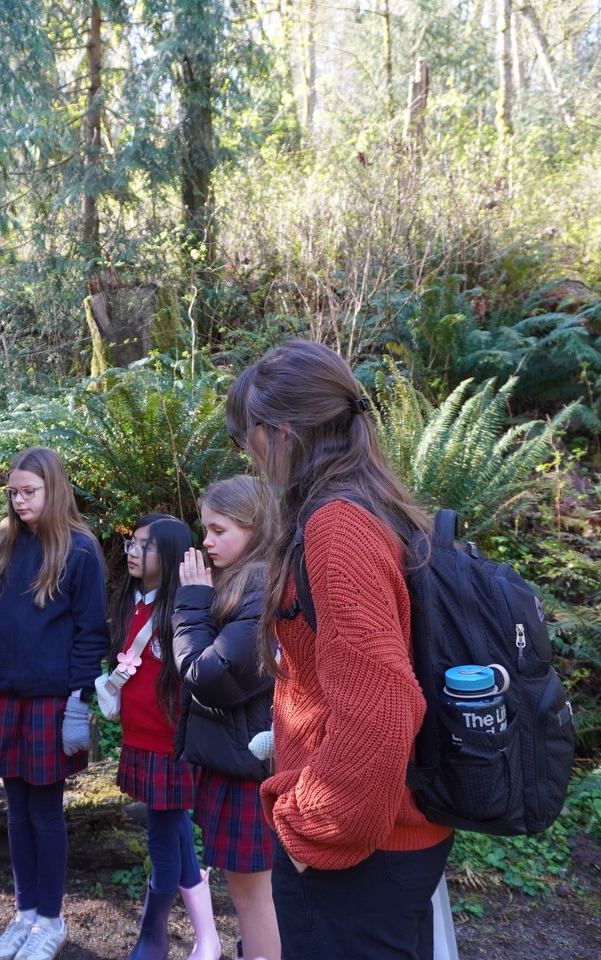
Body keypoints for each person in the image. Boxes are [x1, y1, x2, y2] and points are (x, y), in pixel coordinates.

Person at [227, 339, 454, 960]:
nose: (249, 453)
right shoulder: (373, 503)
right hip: (385, 839)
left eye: (248, 436)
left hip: (358, 853)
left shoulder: (337, 527)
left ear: (281, 433)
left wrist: (309, 832)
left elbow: (382, 708)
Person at [0, 446, 109, 960]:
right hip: (3, 699)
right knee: (15, 812)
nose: (20, 501)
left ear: (54, 489)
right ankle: (24, 915)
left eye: (30, 492)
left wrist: (77, 702)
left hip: (51, 704)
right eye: (14, 492)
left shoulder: (81, 550)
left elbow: (92, 635)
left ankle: (51, 919)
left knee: (45, 812)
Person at [94, 513, 220, 960]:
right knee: (171, 828)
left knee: (163, 838)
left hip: (170, 745)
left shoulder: (182, 609)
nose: (132, 550)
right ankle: (207, 938)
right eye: (133, 542)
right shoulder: (130, 601)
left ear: (168, 555)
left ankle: (153, 936)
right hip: (138, 739)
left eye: (145, 546)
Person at [172, 476, 282, 960]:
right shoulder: (248, 579)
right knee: (257, 894)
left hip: (249, 769)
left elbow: (207, 675)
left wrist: (191, 603)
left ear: (255, 527)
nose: (207, 542)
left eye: (219, 530)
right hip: (240, 759)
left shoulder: (259, 588)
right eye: (205, 530)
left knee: (254, 896)